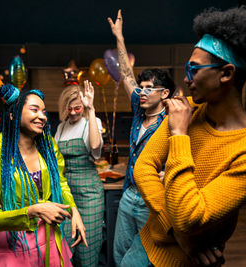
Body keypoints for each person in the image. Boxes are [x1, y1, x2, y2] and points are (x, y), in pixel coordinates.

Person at [133, 7, 246, 266]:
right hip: (146, 246)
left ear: (225, 73)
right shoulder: (187, 109)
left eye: (194, 69)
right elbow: (143, 167)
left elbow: (190, 216)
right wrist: (177, 233)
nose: (186, 78)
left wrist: (179, 135)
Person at [0, 66, 87, 266]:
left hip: (51, 240)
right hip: (15, 244)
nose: (43, 116)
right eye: (34, 110)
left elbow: (60, 183)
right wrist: (32, 211)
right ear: (14, 115)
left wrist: (74, 210)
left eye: (44, 111)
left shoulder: (48, 147)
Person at [107, 10, 175, 266]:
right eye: (141, 87)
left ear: (164, 93)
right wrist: (119, 38)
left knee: (146, 259)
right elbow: (126, 74)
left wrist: (169, 173)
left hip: (151, 200)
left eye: (149, 88)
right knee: (119, 255)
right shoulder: (138, 112)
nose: (142, 92)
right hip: (129, 195)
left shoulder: (171, 122)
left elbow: (187, 154)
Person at [54, 81, 104, 267]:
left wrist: (90, 109)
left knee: (87, 247)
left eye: (78, 108)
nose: (74, 112)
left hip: (89, 194)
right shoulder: (61, 127)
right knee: (64, 245)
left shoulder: (92, 122)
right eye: (69, 108)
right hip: (66, 193)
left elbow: (94, 146)